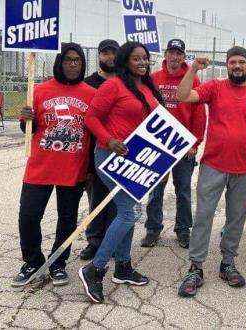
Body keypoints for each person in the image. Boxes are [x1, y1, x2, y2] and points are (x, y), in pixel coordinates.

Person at [176, 46, 246, 297]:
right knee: (203, 218)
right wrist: (194, 69)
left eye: (242, 62)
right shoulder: (215, 87)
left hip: (245, 168)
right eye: (233, 62)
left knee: (235, 219)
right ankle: (195, 267)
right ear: (227, 65)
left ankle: (227, 263)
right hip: (213, 165)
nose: (237, 66)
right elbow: (183, 96)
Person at [78, 42, 164, 304]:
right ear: (125, 61)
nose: (142, 62)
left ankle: (123, 266)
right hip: (111, 155)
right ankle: (96, 269)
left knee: (128, 211)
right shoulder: (112, 86)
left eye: (145, 58)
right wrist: (109, 139)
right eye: (136, 58)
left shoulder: (147, 87)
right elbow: (91, 118)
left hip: (136, 159)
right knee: (130, 212)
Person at [11, 42, 95, 288]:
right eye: (68, 59)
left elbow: (94, 134)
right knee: (28, 215)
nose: (72, 64)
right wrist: (26, 120)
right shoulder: (39, 91)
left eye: (77, 60)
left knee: (67, 218)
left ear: (82, 64)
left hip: (73, 168)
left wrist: (90, 169)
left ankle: (58, 263)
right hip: (41, 167)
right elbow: (31, 129)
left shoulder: (91, 93)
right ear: (60, 62)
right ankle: (32, 261)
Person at [142, 39, 206, 249]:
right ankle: (153, 229)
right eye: (171, 53)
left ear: (183, 56)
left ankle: (182, 229)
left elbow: (198, 112)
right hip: (158, 142)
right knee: (155, 189)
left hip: (182, 144)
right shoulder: (154, 78)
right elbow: (145, 108)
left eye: (179, 53)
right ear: (166, 55)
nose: (175, 57)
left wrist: (195, 142)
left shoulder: (192, 79)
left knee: (183, 190)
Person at [80, 39, 120, 261]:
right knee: (96, 199)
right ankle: (94, 242)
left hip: (120, 151)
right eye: (105, 53)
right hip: (95, 150)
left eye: (113, 53)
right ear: (99, 56)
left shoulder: (126, 83)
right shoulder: (88, 84)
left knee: (117, 203)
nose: (110, 57)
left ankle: (112, 243)